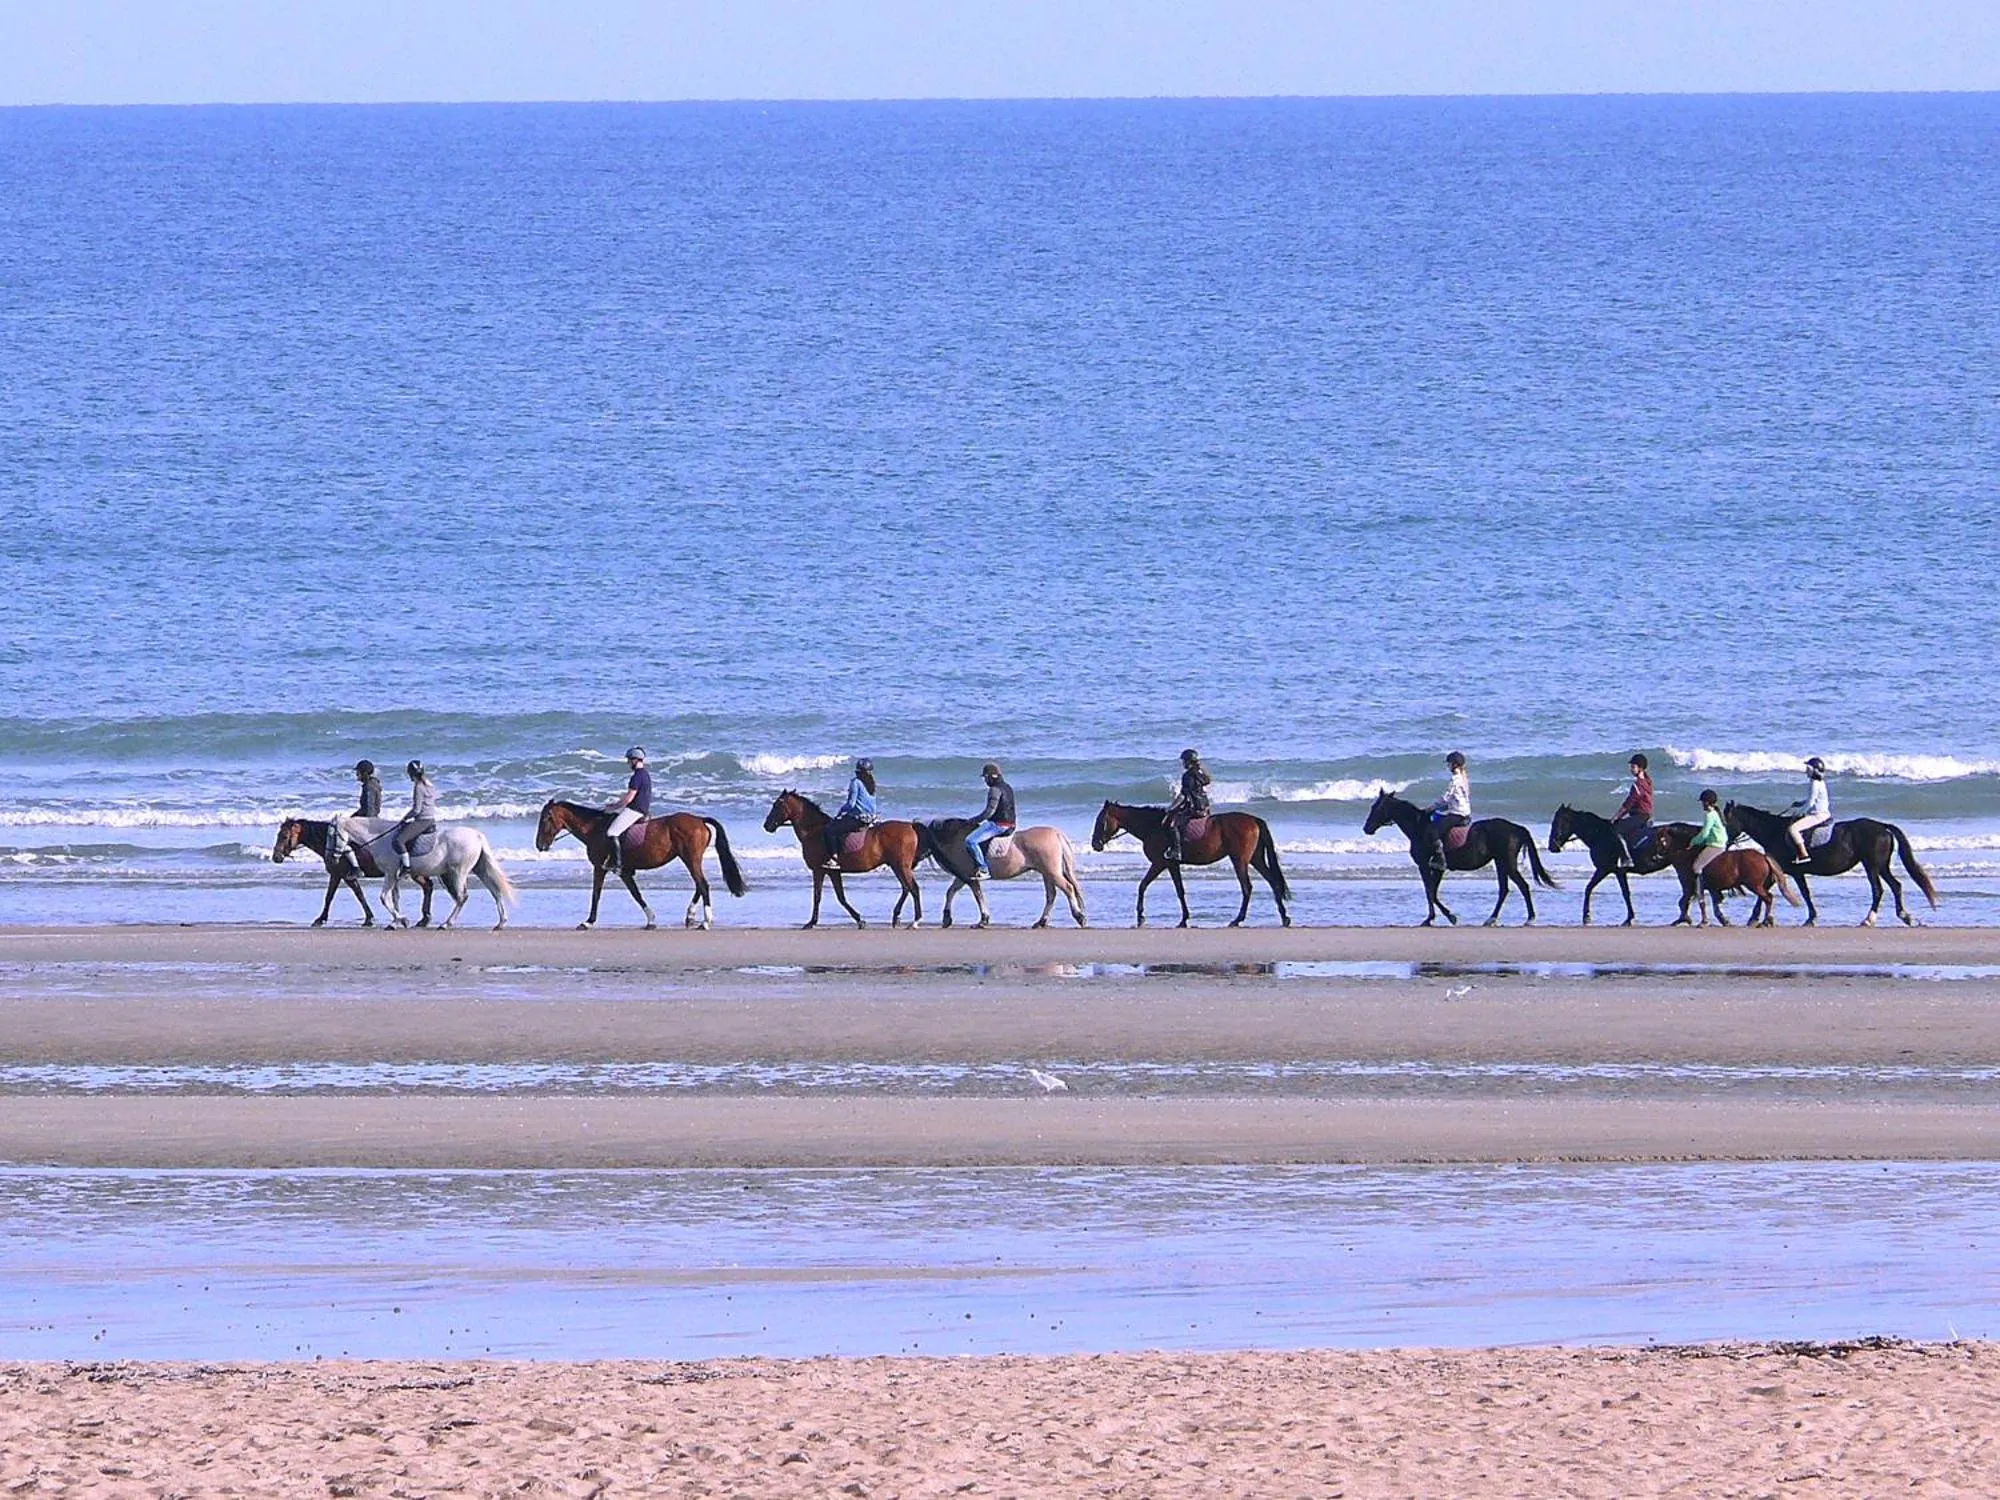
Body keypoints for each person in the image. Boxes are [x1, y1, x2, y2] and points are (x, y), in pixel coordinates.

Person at [1419, 750, 1472, 874]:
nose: (1447, 766)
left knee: (1432, 831)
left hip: (1457, 814)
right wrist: (1440, 809)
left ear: (1454, 765)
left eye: (1449, 764)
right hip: (1463, 811)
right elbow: (1452, 800)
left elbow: (1445, 798)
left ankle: (1440, 859)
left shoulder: (1456, 779)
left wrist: (1430, 808)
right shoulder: (1464, 778)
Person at [962, 762, 1017, 880]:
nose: (985, 781)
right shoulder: (1007, 787)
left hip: (999, 825)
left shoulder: (995, 790)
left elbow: (989, 812)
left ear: (992, 777)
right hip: (1011, 824)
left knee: (970, 841)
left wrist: (973, 820)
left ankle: (983, 869)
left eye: (986, 778)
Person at [603, 747, 652, 874]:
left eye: (629, 760)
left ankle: (618, 865)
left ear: (635, 760)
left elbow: (629, 798)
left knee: (612, 832)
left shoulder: (636, 776)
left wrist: (613, 807)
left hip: (635, 810)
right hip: (642, 808)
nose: (628, 763)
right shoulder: (645, 774)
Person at [822, 758, 878, 868]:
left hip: (859, 818)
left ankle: (834, 859)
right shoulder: (871, 783)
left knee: (830, 830)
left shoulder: (855, 782)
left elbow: (851, 804)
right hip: (872, 817)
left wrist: (840, 812)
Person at [1164, 748, 1212, 863]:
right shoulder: (1199, 773)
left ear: (1188, 761)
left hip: (1196, 807)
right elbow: (1207, 781)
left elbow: (1183, 795)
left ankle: (1176, 851)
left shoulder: (1187, 775)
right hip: (1205, 806)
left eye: (1184, 761)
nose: (1183, 764)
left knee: (1172, 824)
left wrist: (1171, 808)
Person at [1784, 755, 1833, 865]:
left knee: (1793, 829)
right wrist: (1800, 803)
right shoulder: (1818, 782)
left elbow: (1811, 803)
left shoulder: (1815, 783)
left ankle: (1803, 855)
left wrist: (1800, 812)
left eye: (1808, 769)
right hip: (1823, 813)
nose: (1806, 771)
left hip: (1818, 815)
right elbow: (1811, 799)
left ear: (1813, 771)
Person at [392, 759, 437, 874]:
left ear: (411, 773)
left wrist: (405, 818)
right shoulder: (429, 784)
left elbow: (416, 810)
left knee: (399, 841)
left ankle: (406, 867)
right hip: (431, 818)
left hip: (422, 820)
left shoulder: (419, 787)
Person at [1610, 753, 1654, 869]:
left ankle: (1626, 858)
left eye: (1633, 767)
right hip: (1646, 815)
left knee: (1616, 830)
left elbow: (1628, 804)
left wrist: (1615, 817)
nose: (1631, 769)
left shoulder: (1637, 785)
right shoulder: (1648, 781)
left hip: (1640, 816)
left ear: (1640, 768)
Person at [1688, 788, 1728, 886]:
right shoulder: (1716, 813)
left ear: (1706, 803)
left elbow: (1704, 834)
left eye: (1702, 802)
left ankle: (1700, 895)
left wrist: (1693, 842)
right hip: (1720, 842)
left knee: (1696, 867)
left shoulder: (1709, 815)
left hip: (1715, 845)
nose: (1701, 804)